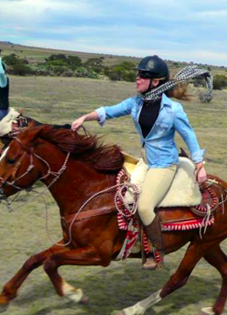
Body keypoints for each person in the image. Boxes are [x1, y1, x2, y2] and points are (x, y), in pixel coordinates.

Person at [71, 55, 208, 270]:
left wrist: (199, 165)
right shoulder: (136, 103)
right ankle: (127, 241)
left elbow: (189, 136)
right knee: (122, 198)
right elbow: (108, 111)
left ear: (155, 82)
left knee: (144, 207)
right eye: (138, 74)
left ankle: (156, 250)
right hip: (145, 162)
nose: (137, 78)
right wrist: (84, 118)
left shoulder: (172, 110)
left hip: (164, 165)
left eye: (142, 75)